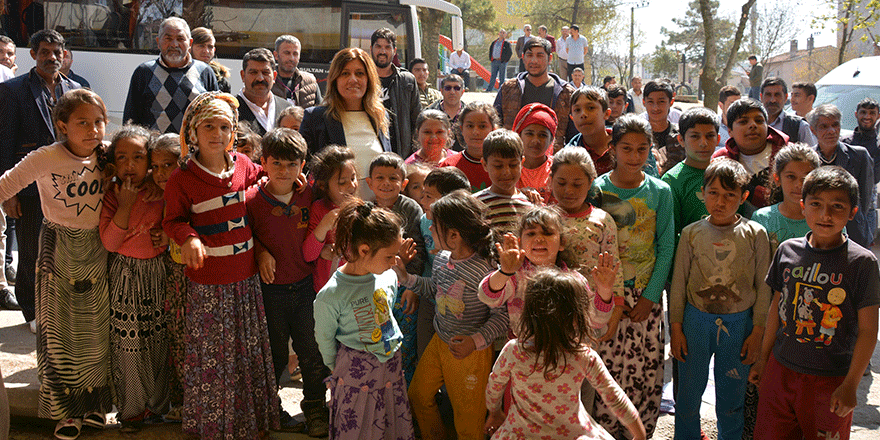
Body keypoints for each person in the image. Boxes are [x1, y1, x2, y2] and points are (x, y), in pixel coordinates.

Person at [162, 92, 279, 439]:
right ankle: (216, 425)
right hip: (209, 285)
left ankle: (251, 421)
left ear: (233, 132)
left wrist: (285, 182)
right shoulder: (182, 179)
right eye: (208, 125)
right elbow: (173, 220)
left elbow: (262, 178)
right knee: (215, 358)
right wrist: (191, 239)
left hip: (245, 281)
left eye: (224, 126)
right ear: (192, 132)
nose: (217, 133)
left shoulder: (242, 164)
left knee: (246, 352)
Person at [0, 89, 112, 440]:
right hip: (57, 250)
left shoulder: (108, 156)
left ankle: (94, 407)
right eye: (83, 122)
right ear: (61, 125)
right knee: (58, 334)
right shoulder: (44, 157)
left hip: (99, 249)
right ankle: (64, 413)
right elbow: (5, 185)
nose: (93, 130)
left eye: (98, 122)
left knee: (95, 332)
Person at [750, 166, 880, 440]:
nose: (825, 215)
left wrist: (851, 385)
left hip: (831, 379)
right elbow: (776, 307)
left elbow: (869, 330)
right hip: (782, 370)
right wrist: (763, 360)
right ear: (803, 206)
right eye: (816, 204)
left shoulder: (862, 263)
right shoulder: (787, 251)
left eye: (837, 206)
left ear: (852, 213)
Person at [670, 158, 771, 440]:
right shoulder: (691, 234)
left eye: (730, 195)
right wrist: (676, 328)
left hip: (739, 326)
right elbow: (678, 283)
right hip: (695, 321)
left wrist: (758, 332)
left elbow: (764, 287)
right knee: (688, 396)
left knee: (731, 398)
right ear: (702, 194)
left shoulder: (755, 234)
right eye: (713, 193)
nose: (721, 201)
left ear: (743, 197)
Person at [483, 267, 645, 440]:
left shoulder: (514, 351)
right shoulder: (583, 356)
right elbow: (613, 396)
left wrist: (494, 412)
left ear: (529, 313)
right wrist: (639, 434)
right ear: (577, 317)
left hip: (521, 434)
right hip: (573, 434)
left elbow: (494, 387)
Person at [400, 190, 509, 440]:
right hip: (441, 342)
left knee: (468, 423)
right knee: (418, 394)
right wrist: (406, 279)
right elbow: (435, 290)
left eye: (433, 227)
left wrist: (475, 341)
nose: (429, 231)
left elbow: (501, 316)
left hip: (471, 352)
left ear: (454, 235)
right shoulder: (441, 258)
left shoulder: (484, 269)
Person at [593, 114, 674, 439]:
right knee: (605, 371)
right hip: (604, 297)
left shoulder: (660, 191)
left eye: (642, 149)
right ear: (613, 148)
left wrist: (651, 297)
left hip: (646, 299)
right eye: (626, 148)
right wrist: (608, 296)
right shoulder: (597, 189)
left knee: (644, 369)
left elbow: (666, 247)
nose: (634, 155)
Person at [245, 128, 329, 436]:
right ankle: (272, 409)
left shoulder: (309, 193)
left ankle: (316, 408)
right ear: (263, 162)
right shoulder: (252, 199)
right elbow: (243, 235)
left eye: (292, 164)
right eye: (277, 163)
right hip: (270, 291)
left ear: (302, 165)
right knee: (274, 353)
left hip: (306, 286)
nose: (284, 171)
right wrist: (261, 250)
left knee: (312, 350)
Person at [0, 29, 81, 332]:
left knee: (65, 252)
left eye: (56, 52)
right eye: (44, 51)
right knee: (33, 252)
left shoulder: (74, 90)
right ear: (32, 55)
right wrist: (9, 193)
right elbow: (4, 143)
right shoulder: (14, 91)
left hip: (70, 189)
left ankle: (59, 307)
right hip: (31, 189)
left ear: (64, 55)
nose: (51, 57)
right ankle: (31, 311)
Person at [313, 200, 415, 440]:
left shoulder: (388, 276)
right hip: (355, 377)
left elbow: (386, 313)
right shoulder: (331, 295)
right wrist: (335, 368)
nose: (395, 263)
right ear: (364, 250)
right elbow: (324, 339)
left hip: (390, 368)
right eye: (390, 256)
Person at [99, 125, 171, 433]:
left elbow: (174, 226)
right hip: (125, 276)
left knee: (158, 342)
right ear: (114, 163)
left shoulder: (162, 191)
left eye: (139, 158)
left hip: (157, 274)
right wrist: (126, 206)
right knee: (129, 346)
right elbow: (110, 243)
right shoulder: (113, 196)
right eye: (123, 158)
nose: (131, 166)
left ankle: (158, 407)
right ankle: (131, 411)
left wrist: (166, 237)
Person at [479, 205, 616, 337]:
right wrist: (504, 272)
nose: (539, 238)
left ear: (562, 243)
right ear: (520, 243)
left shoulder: (574, 280)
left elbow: (596, 321)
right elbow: (487, 297)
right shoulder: (515, 276)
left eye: (547, 233)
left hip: (565, 354)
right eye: (531, 233)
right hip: (523, 354)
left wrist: (604, 290)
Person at [299, 47, 392, 199]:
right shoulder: (315, 117)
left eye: (360, 73)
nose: (353, 79)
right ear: (335, 79)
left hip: (376, 213)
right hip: (335, 212)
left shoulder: (381, 116)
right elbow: (303, 168)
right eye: (345, 73)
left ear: (369, 79)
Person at [366, 153, 426, 385]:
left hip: (404, 288)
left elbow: (417, 249)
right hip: (376, 288)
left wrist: (413, 285)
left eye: (393, 178)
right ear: (369, 183)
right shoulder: (367, 210)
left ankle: (406, 397)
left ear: (403, 184)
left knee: (405, 343)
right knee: (380, 341)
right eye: (379, 177)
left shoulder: (410, 209)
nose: (386, 183)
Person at [123, 17, 219, 134]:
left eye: (180, 39)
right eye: (168, 38)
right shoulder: (144, 72)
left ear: (190, 43)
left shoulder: (205, 71)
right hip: (155, 150)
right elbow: (130, 120)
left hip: (194, 150)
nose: (174, 44)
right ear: (158, 42)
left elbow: (216, 115)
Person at [150, 133, 186, 421]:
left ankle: (190, 400)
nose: (161, 173)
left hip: (188, 275)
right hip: (167, 275)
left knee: (186, 337)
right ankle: (177, 401)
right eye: (156, 166)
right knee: (173, 338)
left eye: (168, 165)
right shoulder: (151, 194)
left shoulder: (188, 191)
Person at [808, 104, 877, 249]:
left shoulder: (859, 156)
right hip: (818, 230)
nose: (831, 131)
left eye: (835, 125)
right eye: (824, 126)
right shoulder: (808, 159)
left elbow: (864, 199)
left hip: (852, 232)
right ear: (813, 130)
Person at [494, 37, 576, 152]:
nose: (534, 60)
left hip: (554, 162)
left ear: (550, 58)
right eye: (529, 55)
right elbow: (495, 127)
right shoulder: (508, 89)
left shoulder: (566, 93)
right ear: (523, 57)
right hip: (513, 160)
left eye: (540, 55)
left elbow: (574, 137)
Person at [712, 98, 788, 218]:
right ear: (730, 131)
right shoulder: (721, 160)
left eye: (759, 121)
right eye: (743, 122)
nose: (753, 125)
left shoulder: (788, 155)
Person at [304, 145, 360, 294]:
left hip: (356, 287)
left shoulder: (360, 208)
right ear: (323, 185)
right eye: (342, 182)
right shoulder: (318, 209)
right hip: (327, 291)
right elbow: (308, 255)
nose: (352, 185)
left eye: (353, 178)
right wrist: (324, 226)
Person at [371, 28, 421, 158]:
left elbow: (416, 120)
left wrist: (413, 155)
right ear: (371, 49)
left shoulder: (407, 80)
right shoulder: (363, 79)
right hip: (370, 149)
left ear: (394, 51)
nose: (382, 51)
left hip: (400, 154)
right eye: (379, 46)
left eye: (387, 47)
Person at [474, 130, 534, 233]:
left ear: (522, 163)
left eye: (513, 165)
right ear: (484, 164)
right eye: (498, 166)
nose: (506, 172)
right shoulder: (475, 204)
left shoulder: (530, 205)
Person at [439, 102, 499, 192]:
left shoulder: (503, 164)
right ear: (462, 129)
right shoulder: (449, 166)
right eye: (470, 126)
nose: (475, 132)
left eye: (482, 126)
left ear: (493, 129)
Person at [236, 48, 291, 136]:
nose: (260, 78)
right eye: (253, 72)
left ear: (274, 76)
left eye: (265, 72)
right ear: (243, 76)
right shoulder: (231, 109)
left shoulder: (286, 109)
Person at [566, 86, 615, 176]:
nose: (583, 114)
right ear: (572, 118)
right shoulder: (568, 156)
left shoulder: (625, 145)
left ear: (607, 113)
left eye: (591, 108)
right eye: (577, 110)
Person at [514, 103, 557, 202]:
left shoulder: (557, 168)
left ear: (551, 140)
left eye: (542, 135)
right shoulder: (510, 166)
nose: (535, 140)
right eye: (529, 134)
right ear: (519, 136)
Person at [642, 79, 683, 175]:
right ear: (644, 102)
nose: (655, 107)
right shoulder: (638, 135)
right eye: (650, 102)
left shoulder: (680, 136)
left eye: (661, 102)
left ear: (671, 102)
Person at [760, 77, 816, 145]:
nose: (773, 100)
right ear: (761, 97)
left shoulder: (800, 126)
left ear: (786, 97)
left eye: (777, 95)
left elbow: (810, 154)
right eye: (768, 95)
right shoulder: (751, 124)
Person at [271, 35, 321, 107]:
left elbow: (322, 111)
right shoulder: (267, 81)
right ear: (276, 55)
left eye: (295, 54)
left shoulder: (310, 81)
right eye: (287, 53)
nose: (291, 58)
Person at [428, 74, 466, 151]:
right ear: (441, 91)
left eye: (457, 88)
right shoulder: (429, 113)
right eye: (448, 88)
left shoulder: (469, 114)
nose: (452, 92)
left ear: (462, 92)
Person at [190, 27, 231, 93]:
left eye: (210, 47)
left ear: (214, 50)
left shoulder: (220, 80)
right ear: (190, 46)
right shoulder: (182, 73)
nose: (206, 51)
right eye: (201, 46)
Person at [842, 97, 880, 164]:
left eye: (872, 113)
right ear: (856, 114)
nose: (867, 116)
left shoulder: (878, 145)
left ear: (878, 116)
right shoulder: (844, 143)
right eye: (863, 112)